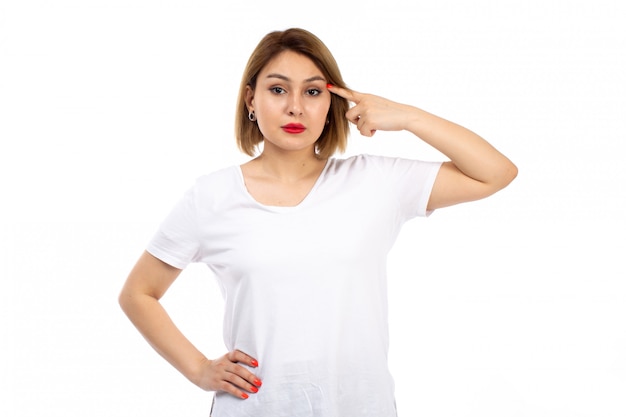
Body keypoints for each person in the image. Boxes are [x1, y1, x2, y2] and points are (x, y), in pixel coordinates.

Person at [118, 28, 517, 417]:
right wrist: (200, 369)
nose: (295, 107)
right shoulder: (212, 196)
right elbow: (138, 293)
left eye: (312, 92)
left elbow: (495, 173)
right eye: (277, 89)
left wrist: (408, 116)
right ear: (250, 100)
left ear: (332, 104)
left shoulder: (374, 182)